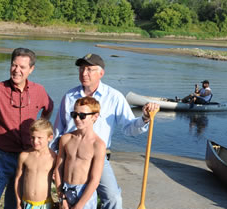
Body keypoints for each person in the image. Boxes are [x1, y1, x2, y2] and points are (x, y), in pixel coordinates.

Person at [52, 53, 160, 209]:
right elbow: (58, 130)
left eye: (89, 69)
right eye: (82, 69)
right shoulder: (69, 96)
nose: (84, 73)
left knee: (114, 199)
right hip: (70, 156)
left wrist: (144, 118)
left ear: (101, 73)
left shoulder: (114, 97)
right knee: (66, 199)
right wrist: (51, 157)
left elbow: (129, 128)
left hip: (98, 158)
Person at [0, 47, 54, 209]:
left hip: (26, 158)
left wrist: (41, 130)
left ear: (31, 69)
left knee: (13, 205)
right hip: (0, 158)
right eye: (14, 65)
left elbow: (49, 107)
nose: (17, 70)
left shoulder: (39, 91)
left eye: (22, 67)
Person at [54, 97, 106, 209]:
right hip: (66, 191)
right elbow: (59, 168)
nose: (77, 119)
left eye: (82, 116)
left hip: (85, 194)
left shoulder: (98, 145)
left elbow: (95, 179)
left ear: (95, 116)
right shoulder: (66, 139)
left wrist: (79, 206)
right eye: (74, 115)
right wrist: (60, 196)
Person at [14, 119, 56, 209]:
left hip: (44, 204)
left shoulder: (53, 158)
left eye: (39, 138)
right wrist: (18, 202)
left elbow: (59, 181)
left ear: (50, 137)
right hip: (26, 203)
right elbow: (18, 179)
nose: (35, 141)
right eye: (32, 137)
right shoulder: (24, 156)